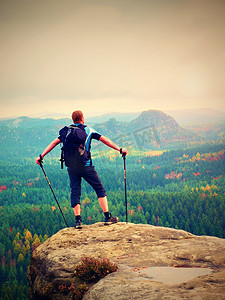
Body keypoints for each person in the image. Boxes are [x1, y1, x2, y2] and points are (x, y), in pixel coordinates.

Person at [36, 110, 127, 229]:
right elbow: (106, 140)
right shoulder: (89, 130)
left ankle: (78, 221)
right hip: (86, 166)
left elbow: (53, 143)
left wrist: (41, 156)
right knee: (99, 188)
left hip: (71, 167)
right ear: (83, 118)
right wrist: (119, 149)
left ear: (73, 119)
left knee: (75, 190)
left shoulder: (66, 131)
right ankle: (107, 217)